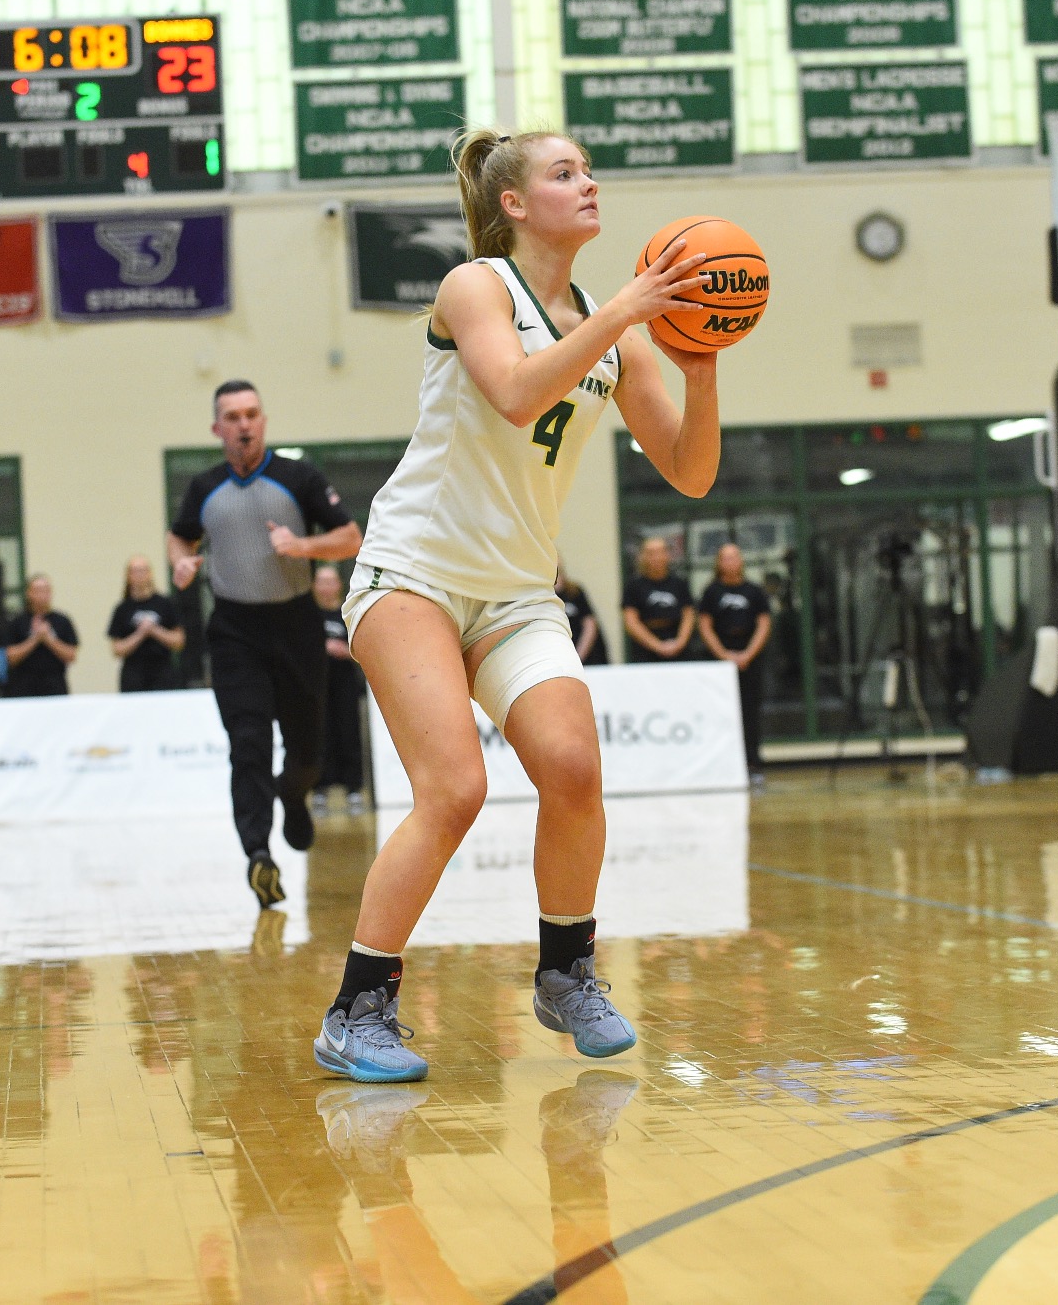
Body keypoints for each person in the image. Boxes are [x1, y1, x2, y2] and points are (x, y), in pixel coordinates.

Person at [311, 127, 720, 1083]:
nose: (589, 182)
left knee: (574, 767)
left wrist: (699, 367)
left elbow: (691, 472)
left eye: (588, 169)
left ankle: (567, 970)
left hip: (516, 591)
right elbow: (512, 392)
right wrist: (624, 309)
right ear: (514, 205)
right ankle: (357, 1007)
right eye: (564, 172)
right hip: (411, 571)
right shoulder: (476, 287)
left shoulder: (614, 328)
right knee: (454, 788)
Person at [167, 380, 362, 906]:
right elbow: (180, 534)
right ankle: (258, 853)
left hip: (296, 628)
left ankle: (294, 797)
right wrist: (180, 561)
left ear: (264, 421)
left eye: (252, 413)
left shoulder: (298, 477)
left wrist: (301, 546)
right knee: (247, 744)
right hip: (233, 634)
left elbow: (351, 536)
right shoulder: (203, 486)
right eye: (232, 416)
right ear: (217, 428)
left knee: (305, 753)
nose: (244, 424)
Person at [697, 543, 773, 780]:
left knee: (750, 712)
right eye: (725, 558)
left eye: (734, 557)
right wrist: (723, 655)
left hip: (749, 659)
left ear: (741, 561)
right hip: (720, 660)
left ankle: (752, 764)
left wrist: (748, 653)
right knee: (721, 712)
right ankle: (723, 764)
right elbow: (705, 626)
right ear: (719, 563)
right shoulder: (711, 592)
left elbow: (763, 623)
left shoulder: (754, 591)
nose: (730, 562)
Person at [312, 566, 366, 815]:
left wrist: (345, 651)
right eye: (320, 582)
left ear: (338, 585)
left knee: (349, 733)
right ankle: (319, 790)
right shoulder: (307, 616)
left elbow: (364, 649)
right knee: (318, 736)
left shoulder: (348, 613)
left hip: (345, 685)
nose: (325, 587)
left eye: (329, 582)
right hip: (316, 688)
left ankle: (354, 790)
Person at [108, 556, 186, 692]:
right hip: (133, 677)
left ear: (150, 573)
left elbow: (179, 640)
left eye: (143, 570)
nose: (139, 575)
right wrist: (140, 633)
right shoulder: (122, 609)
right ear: (128, 575)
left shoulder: (165, 604)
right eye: (135, 571)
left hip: (163, 674)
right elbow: (117, 649)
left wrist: (154, 630)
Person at [0, 575, 78, 697]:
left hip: (55, 688)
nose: (42, 595)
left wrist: (49, 638)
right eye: (38, 590)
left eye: (46, 590)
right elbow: (10, 657)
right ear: (29, 593)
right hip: (23, 690)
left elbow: (71, 655)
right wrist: (35, 638)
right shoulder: (17, 622)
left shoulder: (62, 621)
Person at [621, 537, 694, 662]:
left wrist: (679, 643)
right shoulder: (634, 585)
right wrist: (658, 646)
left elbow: (688, 616)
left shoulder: (679, 583)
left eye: (660, 552)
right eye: (651, 553)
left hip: (678, 648)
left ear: (668, 555)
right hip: (644, 650)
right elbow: (631, 621)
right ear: (643, 556)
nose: (656, 557)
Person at [556, 561, 608, 665]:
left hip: (583, 654)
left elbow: (590, 624)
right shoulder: (537, 595)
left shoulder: (574, 591)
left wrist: (578, 658)